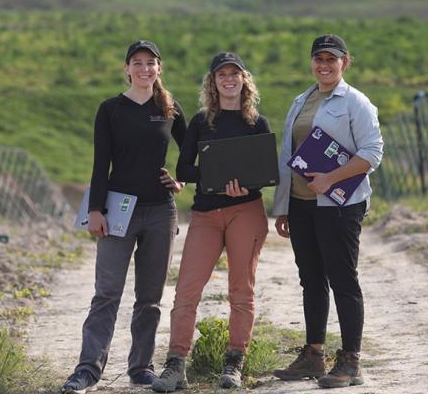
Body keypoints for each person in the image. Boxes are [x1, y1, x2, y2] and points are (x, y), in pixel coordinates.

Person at [62, 40, 187, 394]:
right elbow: (101, 163)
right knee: (107, 293)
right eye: (138, 62)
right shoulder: (111, 109)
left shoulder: (169, 107)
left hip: (161, 211)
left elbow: (193, 148)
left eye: (151, 63)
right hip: (119, 211)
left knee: (149, 297)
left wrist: (180, 180)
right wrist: (95, 211)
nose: (145, 68)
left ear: (159, 68)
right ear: (127, 68)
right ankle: (86, 370)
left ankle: (141, 368)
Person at [151, 52, 270, 392]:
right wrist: (215, 178)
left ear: (244, 80)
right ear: (213, 82)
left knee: (240, 291)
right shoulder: (203, 122)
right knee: (187, 289)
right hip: (205, 213)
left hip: (245, 211)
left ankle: (234, 363)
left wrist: (244, 184)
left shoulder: (256, 124)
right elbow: (184, 170)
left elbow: (264, 174)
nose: (228, 79)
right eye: (222, 75)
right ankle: (176, 365)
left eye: (235, 74)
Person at [271, 34, 383, 389]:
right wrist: (285, 205)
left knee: (343, 279)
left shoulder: (356, 103)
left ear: (344, 62)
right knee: (311, 280)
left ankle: (351, 361)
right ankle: (313, 355)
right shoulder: (301, 100)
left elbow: (372, 153)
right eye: (318, 58)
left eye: (331, 59)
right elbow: (289, 155)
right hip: (303, 205)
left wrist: (331, 178)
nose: (324, 64)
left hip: (339, 205)